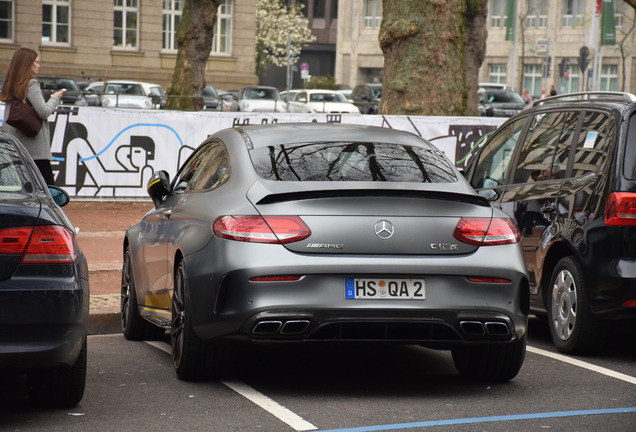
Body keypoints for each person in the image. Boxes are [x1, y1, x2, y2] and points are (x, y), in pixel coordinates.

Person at [1, 47, 65, 185]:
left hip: (17, 145)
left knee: (26, 188)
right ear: (27, 64)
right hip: (35, 148)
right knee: (49, 189)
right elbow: (44, 111)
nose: (38, 65)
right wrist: (55, 98)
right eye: (35, 62)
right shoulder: (31, 84)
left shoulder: (11, 84)